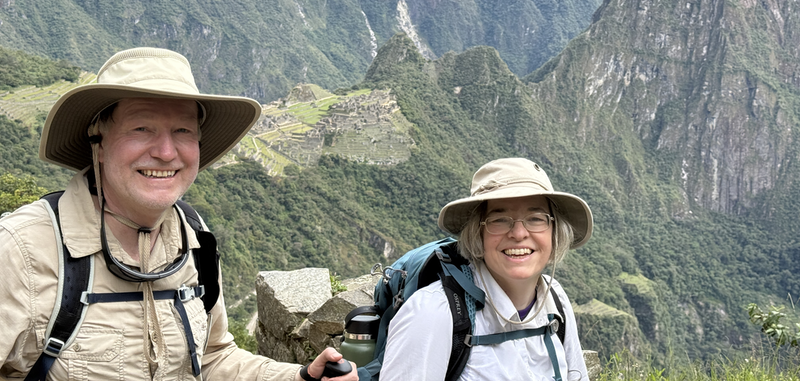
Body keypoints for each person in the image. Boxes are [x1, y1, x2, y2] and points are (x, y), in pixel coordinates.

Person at [0, 48, 356, 381]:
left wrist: (299, 377)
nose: (166, 152)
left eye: (183, 131)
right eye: (142, 128)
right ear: (100, 141)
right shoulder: (24, 251)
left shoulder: (194, 240)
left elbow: (214, 357)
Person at [380, 158, 593, 380]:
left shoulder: (555, 299)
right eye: (499, 220)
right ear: (478, 234)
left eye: (536, 219)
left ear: (554, 232)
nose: (519, 234)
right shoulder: (433, 313)